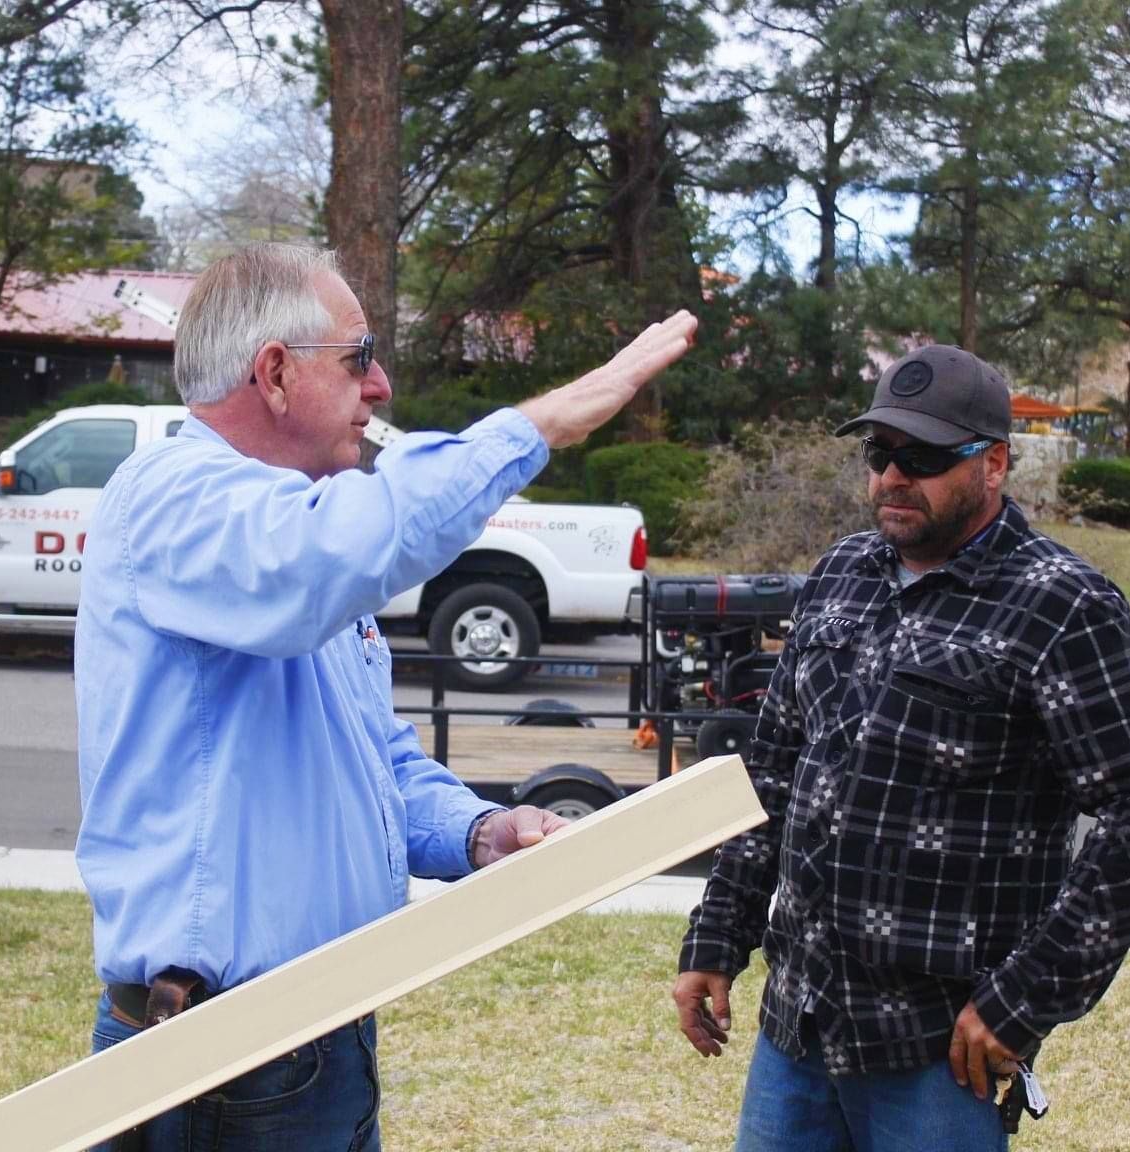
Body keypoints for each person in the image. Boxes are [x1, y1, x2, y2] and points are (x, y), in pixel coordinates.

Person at [75, 242, 697, 1151]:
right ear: (276, 373)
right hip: (215, 1056)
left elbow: (376, 765)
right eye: (359, 356)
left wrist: (481, 831)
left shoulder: (297, 531)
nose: (382, 387)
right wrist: (543, 423)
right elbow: (334, 554)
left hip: (311, 1039)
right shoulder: (176, 499)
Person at [673, 345, 1130, 1151]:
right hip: (798, 1027)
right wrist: (718, 934)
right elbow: (771, 773)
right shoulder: (842, 571)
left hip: (939, 1054)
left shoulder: (1062, 605)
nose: (892, 476)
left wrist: (1024, 1000)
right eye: (880, 453)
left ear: (994, 464)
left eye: (923, 456)